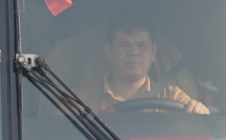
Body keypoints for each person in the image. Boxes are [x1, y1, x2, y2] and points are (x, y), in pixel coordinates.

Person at [78, 17, 208, 114]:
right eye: (124, 45)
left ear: (153, 53)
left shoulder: (171, 95)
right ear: (108, 51)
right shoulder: (81, 99)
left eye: (141, 46)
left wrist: (200, 112)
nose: (133, 52)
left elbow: (202, 126)